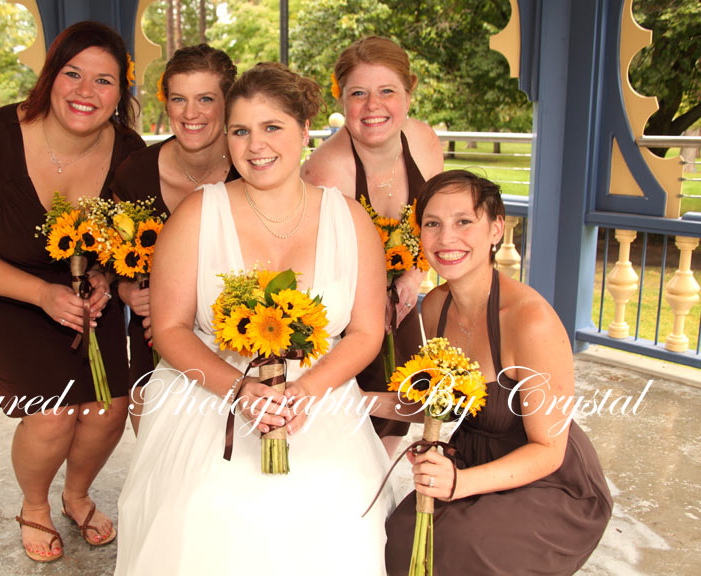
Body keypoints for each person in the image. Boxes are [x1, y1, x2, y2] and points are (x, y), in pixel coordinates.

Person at [114, 63, 394, 576]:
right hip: (211, 390)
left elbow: (366, 332)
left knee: (340, 497)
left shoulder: (351, 220)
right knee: (210, 503)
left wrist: (305, 391)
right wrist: (241, 390)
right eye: (240, 131)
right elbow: (170, 329)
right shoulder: (197, 215)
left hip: (320, 391)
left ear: (304, 131)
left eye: (271, 127)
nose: (255, 145)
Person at [0, 22, 145, 563]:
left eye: (104, 80)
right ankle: (34, 506)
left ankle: (77, 495)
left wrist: (104, 278)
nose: (85, 91)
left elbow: (126, 239)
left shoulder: (128, 150)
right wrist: (41, 294)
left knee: (109, 407)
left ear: (121, 91)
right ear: (51, 75)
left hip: (83, 294)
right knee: (53, 412)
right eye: (73, 73)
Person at [381, 170, 612, 575]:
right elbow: (438, 404)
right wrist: (343, 398)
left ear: (496, 229)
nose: (446, 238)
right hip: (471, 457)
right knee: (400, 535)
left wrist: (459, 485)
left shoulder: (530, 321)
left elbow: (549, 451)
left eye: (463, 222)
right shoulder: (434, 308)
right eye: (432, 224)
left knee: (465, 544)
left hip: (548, 479)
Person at [302, 36, 444, 456]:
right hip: (343, 314)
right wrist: (371, 304)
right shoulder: (326, 170)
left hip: (401, 298)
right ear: (342, 99)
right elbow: (317, 266)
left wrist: (413, 278)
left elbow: (435, 221)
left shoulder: (423, 140)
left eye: (387, 91)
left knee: (403, 408)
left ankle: (379, 484)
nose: (372, 106)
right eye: (358, 94)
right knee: (349, 422)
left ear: (408, 94)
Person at [110, 43, 238, 434]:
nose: (190, 113)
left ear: (229, 104)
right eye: (179, 99)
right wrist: (127, 291)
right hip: (151, 343)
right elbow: (114, 260)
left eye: (205, 99)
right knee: (154, 444)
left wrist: (178, 311)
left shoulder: (251, 170)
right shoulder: (134, 173)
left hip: (235, 340)